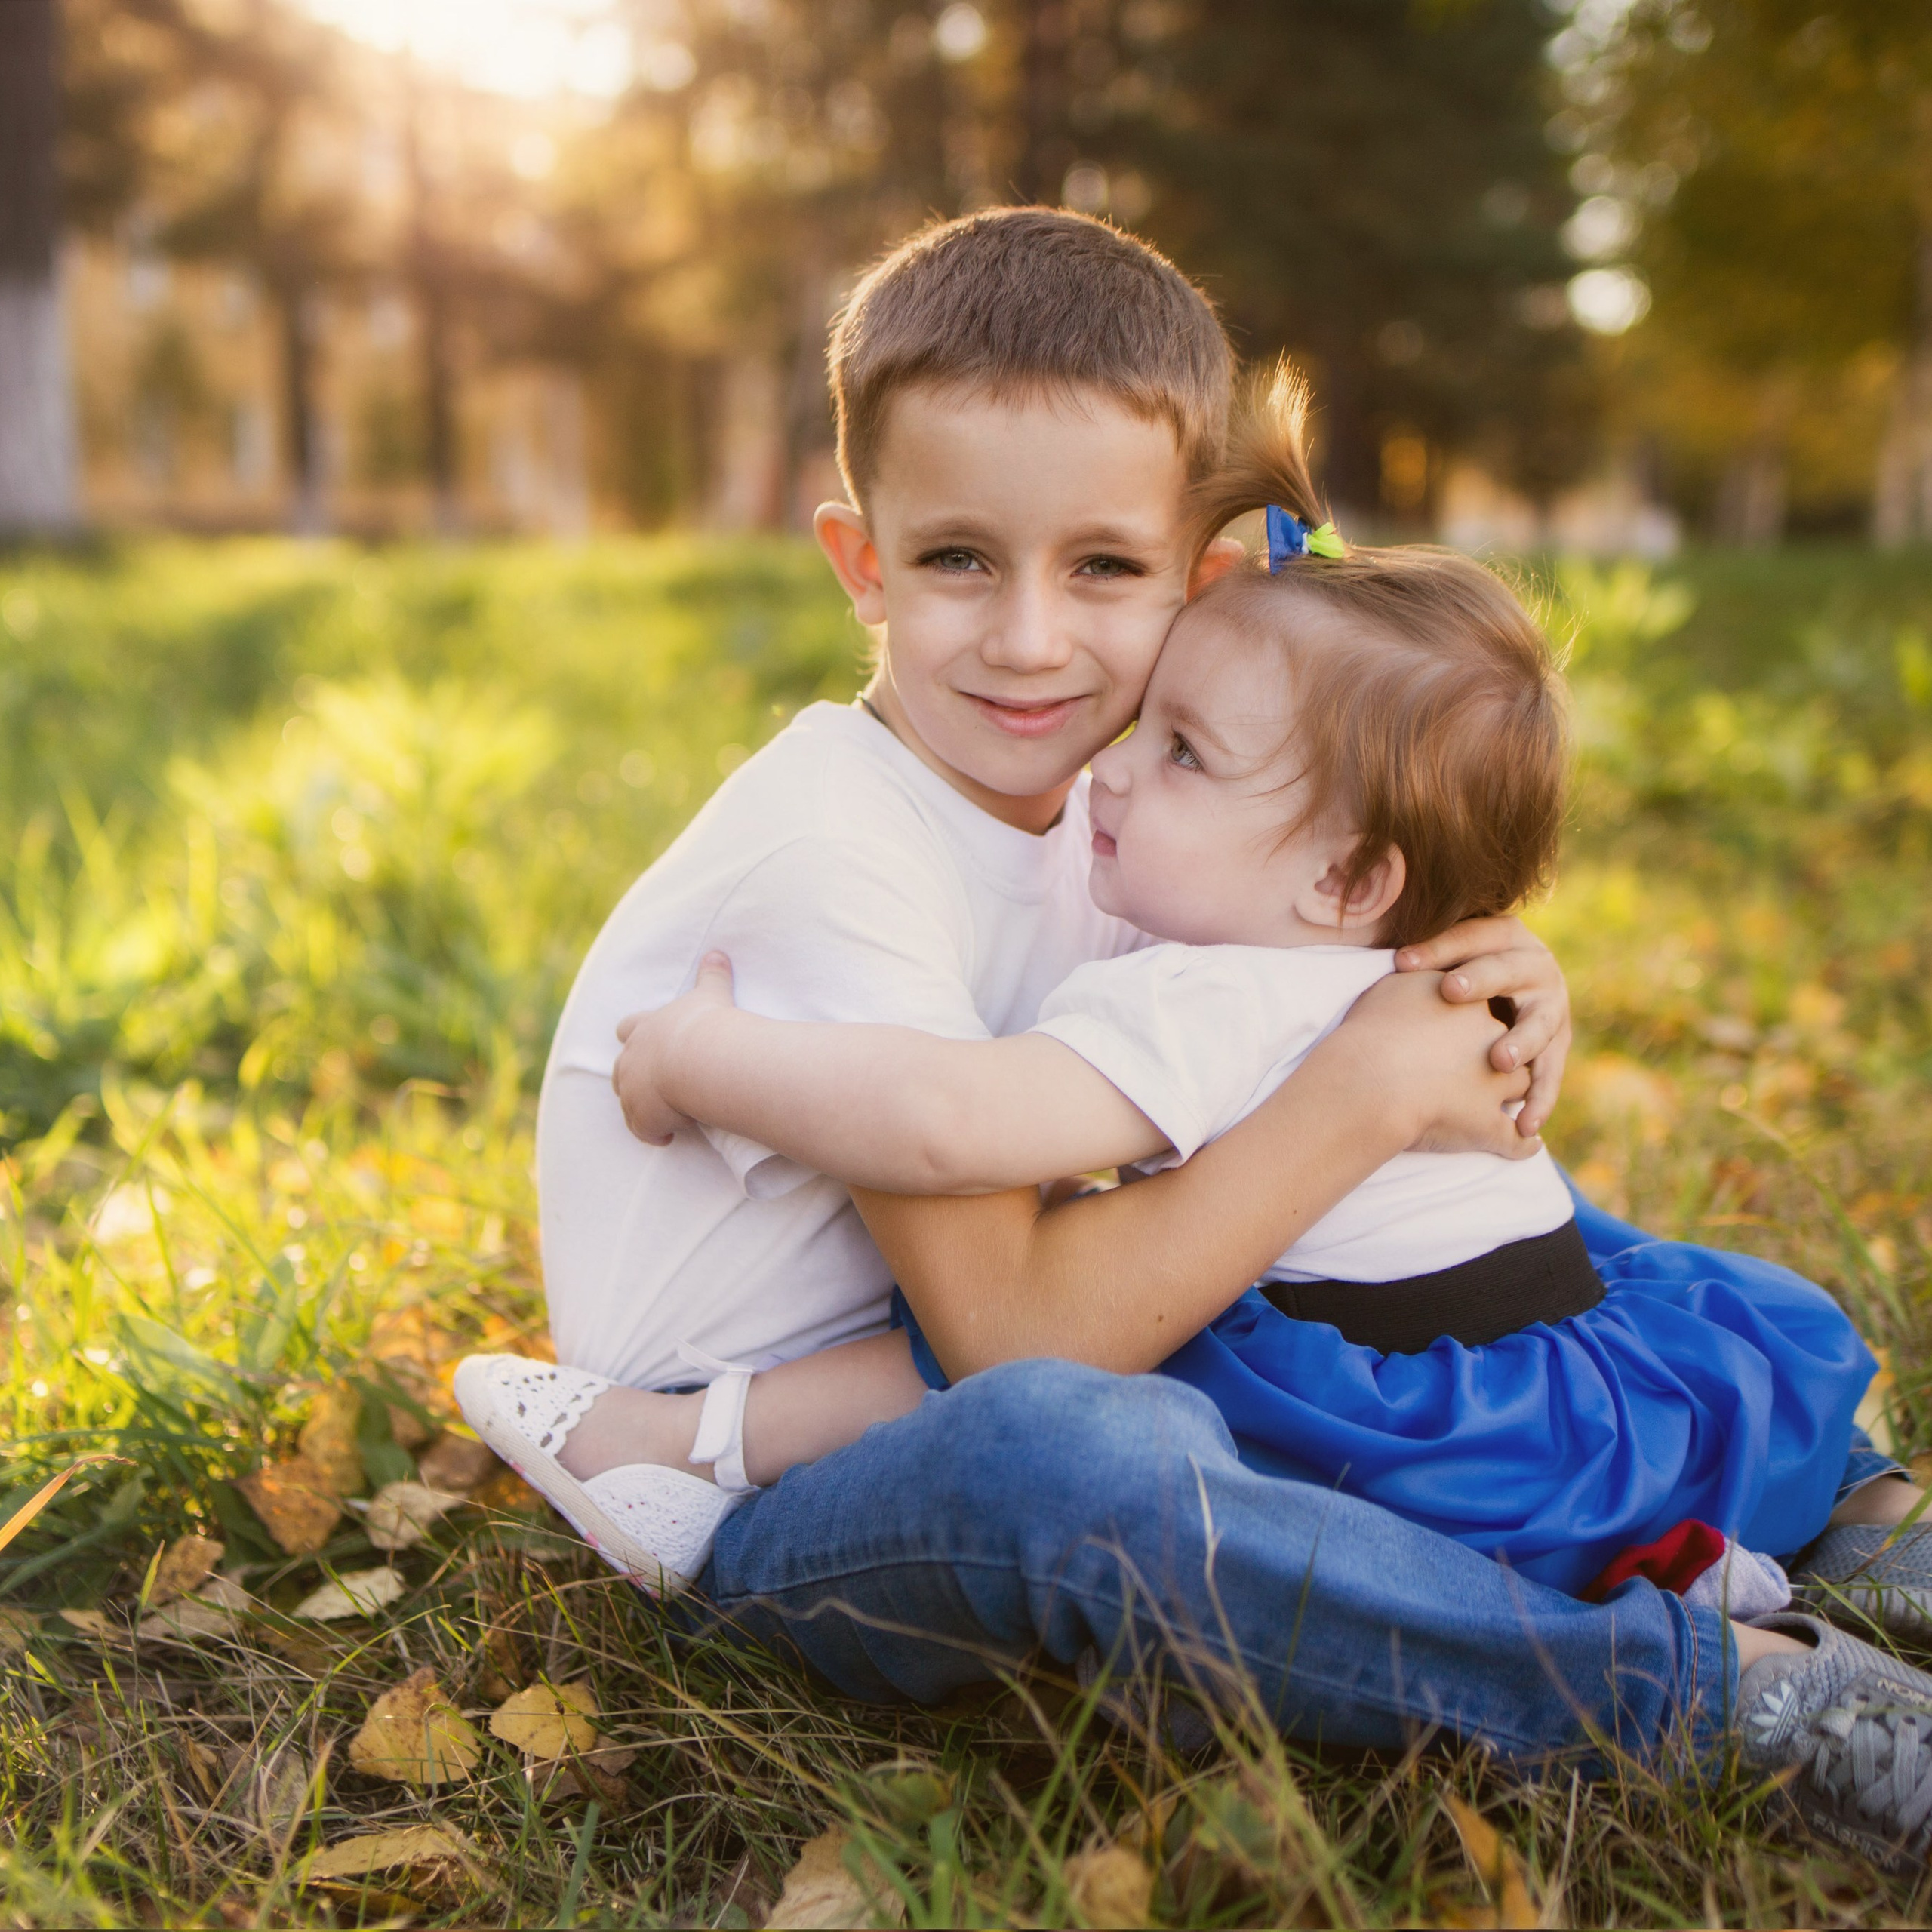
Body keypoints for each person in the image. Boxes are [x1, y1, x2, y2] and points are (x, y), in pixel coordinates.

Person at [457, 208, 1932, 1878]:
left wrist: (1478, 985)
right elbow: (1017, 1340)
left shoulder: (1124, 789)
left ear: (1197, 579)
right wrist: (1364, 1088)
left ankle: (1828, 1507)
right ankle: (1698, 1691)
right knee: (1091, 1451)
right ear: (860, 562)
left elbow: (1305, 945)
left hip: (1056, 1319)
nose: (1028, 638)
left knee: (1489, 1238)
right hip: (795, 1492)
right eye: (956, 559)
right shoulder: (833, 855)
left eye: (1100, 566)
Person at [577, 361, 1877, 1607]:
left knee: (1165, 1371)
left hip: (1459, 1446)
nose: (1118, 768)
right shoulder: (1279, 937)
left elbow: (950, 1123)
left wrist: (695, 1057)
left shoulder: (1208, 970)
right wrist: (1433, 1031)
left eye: (1185, 750)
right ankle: (1801, 1564)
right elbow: (1015, 1285)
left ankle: (1700, 1620)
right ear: (866, 563)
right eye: (960, 556)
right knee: (1120, 1377)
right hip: (1582, 1412)